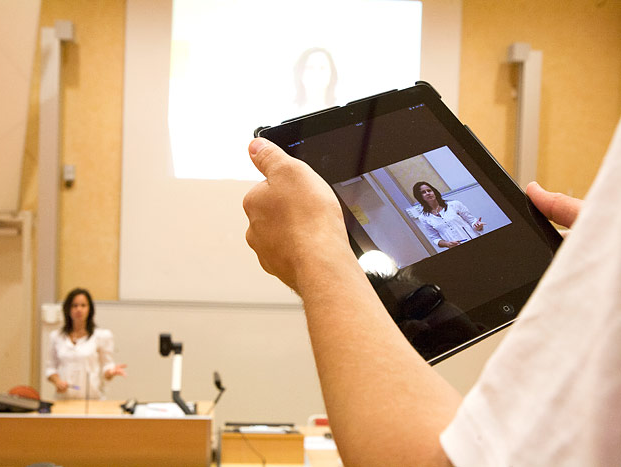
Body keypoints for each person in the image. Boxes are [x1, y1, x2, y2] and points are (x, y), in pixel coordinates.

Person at [242, 119, 620, 465]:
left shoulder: (455, 203)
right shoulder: (421, 217)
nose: (425, 193)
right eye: (420, 191)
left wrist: (313, 249)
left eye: (427, 188)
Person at [45, 288, 126, 400]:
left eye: (83, 305)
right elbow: (50, 368)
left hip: (92, 398)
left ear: (89, 309)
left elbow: (107, 367)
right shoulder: (56, 336)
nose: (79, 309)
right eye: (75, 305)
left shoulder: (101, 336)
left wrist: (110, 372)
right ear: (68, 309)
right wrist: (57, 381)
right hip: (64, 399)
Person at [413, 181, 485, 249]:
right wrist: (446, 244)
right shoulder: (423, 217)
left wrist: (477, 226)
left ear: (434, 192)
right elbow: (435, 238)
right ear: (420, 197)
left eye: (429, 190)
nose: (428, 193)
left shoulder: (454, 204)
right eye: (423, 192)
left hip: (474, 241)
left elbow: (472, 221)